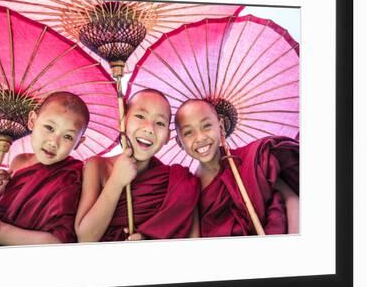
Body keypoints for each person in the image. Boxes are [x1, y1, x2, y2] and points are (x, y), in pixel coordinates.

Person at [75, 89, 201, 242]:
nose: (149, 128)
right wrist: (116, 182)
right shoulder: (97, 166)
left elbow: (193, 242)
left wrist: (149, 240)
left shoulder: (177, 183)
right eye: (140, 116)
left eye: (160, 123)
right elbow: (85, 237)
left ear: (167, 137)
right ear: (122, 121)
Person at [0, 91, 89, 246]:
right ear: (32, 121)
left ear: (79, 142)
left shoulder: (73, 176)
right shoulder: (18, 162)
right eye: (49, 128)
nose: (54, 142)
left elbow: (60, 242)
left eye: (68, 137)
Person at [174, 99, 300, 237]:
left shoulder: (251, 159)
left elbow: (291, 199)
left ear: (220, 127)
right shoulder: (190, 190)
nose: (200, 137)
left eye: (207, 126)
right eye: (188, 133)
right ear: (180, 142)